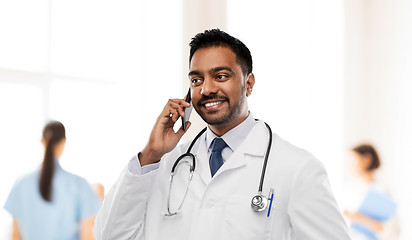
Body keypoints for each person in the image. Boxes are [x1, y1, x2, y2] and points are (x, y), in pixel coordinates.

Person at [94, 29, 350, 239]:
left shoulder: (297, 168)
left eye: (221, 76)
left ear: (248, 83)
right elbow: (110, 235)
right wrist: (150, 155)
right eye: (196, 80)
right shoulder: (164, 165)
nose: (207, 89)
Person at [4, 121, 101, 240]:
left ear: (42, 141)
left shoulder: (20, 185)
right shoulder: (79, 185)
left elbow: (15, 236)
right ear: (64, 142)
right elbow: (86, 237)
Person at [343, 144, 400, 240]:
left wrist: (359, 218)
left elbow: (393, 231)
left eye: (352, 161)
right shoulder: (349, 189)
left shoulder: (381, 190)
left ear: (367, 159)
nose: (348, 166)